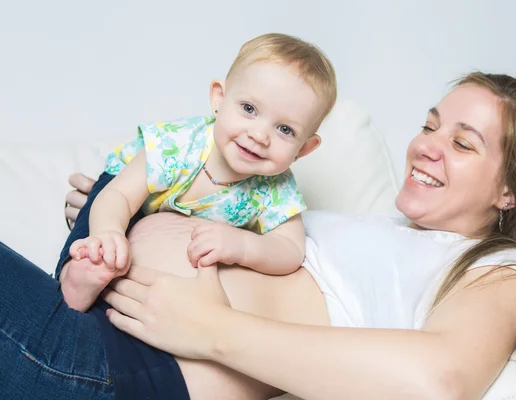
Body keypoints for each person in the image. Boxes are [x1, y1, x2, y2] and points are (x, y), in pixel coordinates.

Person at [2, 72, 516, 400]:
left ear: (509, 191)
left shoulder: (501, 272)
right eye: (429, 125)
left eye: (463, 143)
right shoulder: (385, 232)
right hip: (88, 318)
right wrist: (121, 208)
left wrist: (211, 330)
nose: (426, 146)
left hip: (117, 367)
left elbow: (440, 380)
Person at [61, 33, 336, 312]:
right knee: (103, 227)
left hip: (164, 236)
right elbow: (119, 195)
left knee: (134, 267)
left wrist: (243, 245)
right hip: (132, 191)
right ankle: (75, 275)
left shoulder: (276, 189)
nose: (259, 135)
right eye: (249, 109)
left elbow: (290, 250)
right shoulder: (178, 145)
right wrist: (108, 229)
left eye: (285, 130)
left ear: (304, 149)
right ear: (219, 98)